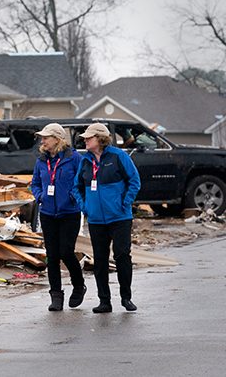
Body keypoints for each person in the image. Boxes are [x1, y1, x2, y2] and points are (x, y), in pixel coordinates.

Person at [73, 123, 141, 313]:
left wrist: (125, 203)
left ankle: (126, 298)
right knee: (100, 261)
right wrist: (85, 207)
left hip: (119, 217)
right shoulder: (85, 161)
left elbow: (134, 181)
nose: (85, 140)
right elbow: (76, 187)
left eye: (89, 138)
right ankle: (105, 301)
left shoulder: (118, 156)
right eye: (85, 138)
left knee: (122, 255)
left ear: (100, 139)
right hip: (96, 220)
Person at [31, 123, 86, 311]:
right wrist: (40, 196)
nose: (43, 140)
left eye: (46, 137)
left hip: (69, 213)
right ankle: (56, 295)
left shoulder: (74, 158)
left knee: (66, 252)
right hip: (47, 213)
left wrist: (73, 197)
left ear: (57, 139)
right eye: (42, 137)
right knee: (52, 255)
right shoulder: (41, 160)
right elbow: (35, 183)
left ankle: (79, 286)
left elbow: (82, 182)